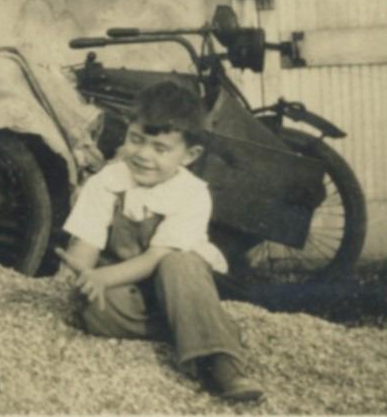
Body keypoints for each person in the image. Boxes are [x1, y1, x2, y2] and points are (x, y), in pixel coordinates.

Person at [57, 81, 264, 402]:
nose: (143, 155)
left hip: (174, 281)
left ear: (190, 155)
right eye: (136, 140)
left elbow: (156, 257)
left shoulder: (192, 193)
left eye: (160, 148)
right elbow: (86, 243)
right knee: (93, 308)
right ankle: (197, 326)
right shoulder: (107, 182)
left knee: (180, 262)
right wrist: (83, 274)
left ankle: (220, 361)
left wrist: (101, 276)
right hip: (129, 294)